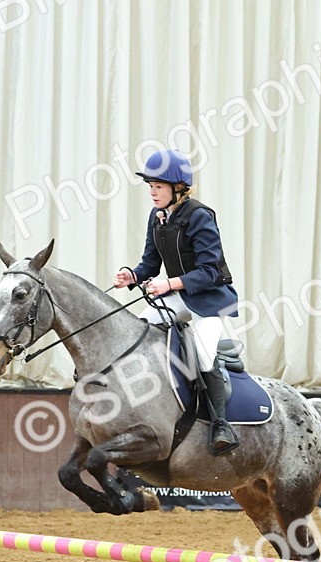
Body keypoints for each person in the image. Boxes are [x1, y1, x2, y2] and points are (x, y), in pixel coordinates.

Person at [113, 149, 240, 455]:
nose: (152, 192)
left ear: (178, 188)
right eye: (150, 187)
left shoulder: (199, 216)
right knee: (139, 330)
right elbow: (149, 264)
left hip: (208, 302)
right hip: (178, 297)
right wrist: (132, 275)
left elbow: (210, 271)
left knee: (204, 355)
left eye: (158, 186)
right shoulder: (156, 217)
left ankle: (220, 424)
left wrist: (168, 284)